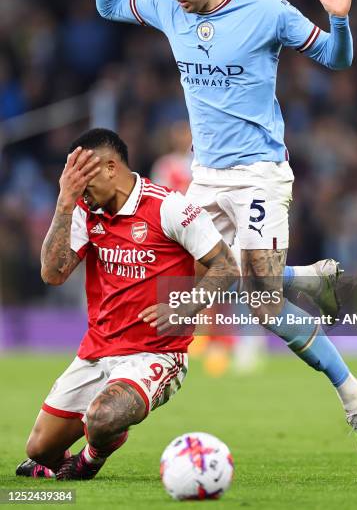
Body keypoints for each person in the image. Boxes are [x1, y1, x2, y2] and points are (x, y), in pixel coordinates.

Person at [94, 0, 357, 461]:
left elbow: (335, 58)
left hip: (258, 174)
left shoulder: (266, 10)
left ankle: (354, 392)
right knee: (186, 278)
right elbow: (109, 3)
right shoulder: (167, 8)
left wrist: (340, 19)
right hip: (205, 176)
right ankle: (306, 275)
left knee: (263, 304)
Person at [16, 128, 239, 480]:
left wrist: (185, 305)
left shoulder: (170, 207)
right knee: (39, 449)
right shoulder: (84, 212)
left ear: (109, 168)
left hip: (156, 352)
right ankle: (93, 438)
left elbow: (227, 266)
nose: (81, 194)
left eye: (84, 183)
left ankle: (90, 459)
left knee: (103, 416)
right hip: (97, 351)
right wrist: (64, 203)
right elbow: (53, 273)